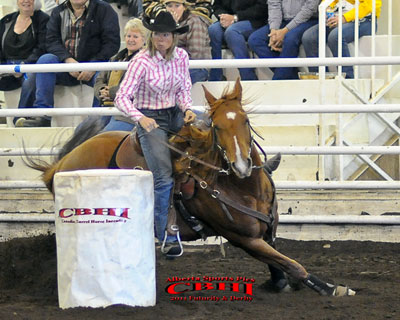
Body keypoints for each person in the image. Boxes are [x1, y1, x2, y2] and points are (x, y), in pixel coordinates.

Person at [114, 11, 196, 256]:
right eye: (158, 34)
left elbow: (183, 87)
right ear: (152, 36)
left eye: (166, 35)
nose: (162, 39)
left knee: (206, 139)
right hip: (151, 115)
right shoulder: (141, 60)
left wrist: (188, 107)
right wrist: (140, 117)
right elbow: (121, 97)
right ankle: (165, 234)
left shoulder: (181, 56)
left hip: (174, 112)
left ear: (173, 37)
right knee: (162, 175)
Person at [15, 0, 120, 127]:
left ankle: (95, 122)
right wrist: (67, 60)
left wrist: (93, 65)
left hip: (93, 67)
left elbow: (112, 43)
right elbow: (51, 41)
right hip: (66, 66)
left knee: (103, 80)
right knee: (46, 60)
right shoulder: (58, 11)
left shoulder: (104, 9)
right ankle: (42, 115)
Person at [302, 0, 382, 79]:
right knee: (309, 37)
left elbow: (369, 6)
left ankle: (348, 78)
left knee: (336, 36)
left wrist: (344, 18)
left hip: (366, 19)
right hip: (340, 17)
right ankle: (320, 78)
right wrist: (328, 8)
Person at [94, 18, 148, 132]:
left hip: (127, 114)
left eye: (135, 37)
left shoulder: (146, 60)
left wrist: (112, 92)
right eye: (128, 36)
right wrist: (101, 91)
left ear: (144, 40)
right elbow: (99, 79)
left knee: (105, 137)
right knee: (81, 131)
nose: (131, 40)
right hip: (106, 108)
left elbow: (140, 85)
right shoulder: (115, 58)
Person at [248, 0, 319, 80]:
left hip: (309, 20)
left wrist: (285, 30)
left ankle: (278, 80)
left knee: (290, 38)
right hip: (283, 20)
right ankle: (292, 77)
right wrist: (274, 30)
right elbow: (274, 4)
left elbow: (310, 8)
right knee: (255, 39)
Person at [208, 0, 268, 81]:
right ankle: (216, 77)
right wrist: (223, 17)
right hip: (230, 19)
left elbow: (262, 8)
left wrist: (235, 17)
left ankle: (248, 77)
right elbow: (217, 6)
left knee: (232, 32)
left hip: (254, 20)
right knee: (213, 30)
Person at [0, 0, 49, 93]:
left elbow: (42, 47)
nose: (26, 1)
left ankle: (23, 108)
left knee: (30, 78)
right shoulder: (6, 20)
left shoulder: (43, 19)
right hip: (6, 66)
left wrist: (23, 65)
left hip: (30, 66)